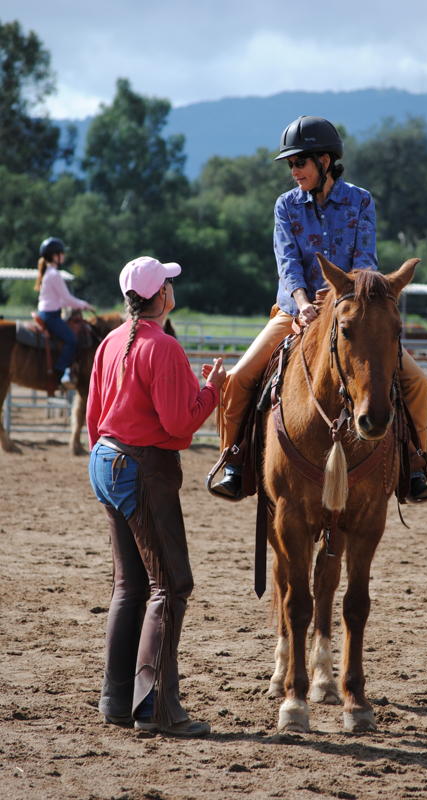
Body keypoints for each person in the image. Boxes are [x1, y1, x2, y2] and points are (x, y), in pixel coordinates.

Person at [212, 115, 427, 503]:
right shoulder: (285, 206)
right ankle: (232, 459)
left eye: (299, 162)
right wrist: (303, 305)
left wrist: (339, 299)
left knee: (417, 383)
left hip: (353, 312)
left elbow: (365, 260)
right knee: (237, 378)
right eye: (290, 164)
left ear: (324, 160)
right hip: (294, 313)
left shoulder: (361, 200)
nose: (294, 171)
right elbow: (286, 263)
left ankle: (416, 463)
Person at [86, 255, 226, 737]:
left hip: (106, 461)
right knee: (171, 585)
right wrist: (212, 391)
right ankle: (155, 710)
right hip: (142, 470)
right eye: (168, 283)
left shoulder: (111, 342)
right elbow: (179, 425)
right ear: (160, 296)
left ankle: (116, 700)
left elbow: (93, 414)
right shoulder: (162, 346)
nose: (172, 288)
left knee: (130, 586)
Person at [34, 236, 94, 389]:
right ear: (55, 256)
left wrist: (75, 304)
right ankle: (61, 372)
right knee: (72, 340)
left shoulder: (48, 273)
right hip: (51, 316)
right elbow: (67, 299)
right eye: (61, 253)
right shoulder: (54, 275)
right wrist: (84, 305)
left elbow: (58, 299)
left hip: (45, 313)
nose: (64, 256)